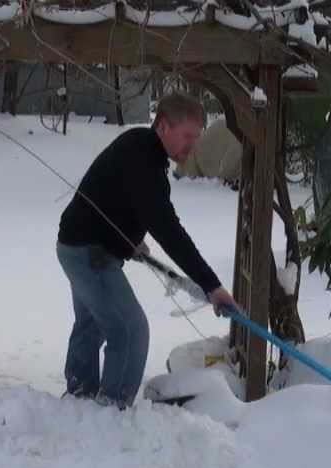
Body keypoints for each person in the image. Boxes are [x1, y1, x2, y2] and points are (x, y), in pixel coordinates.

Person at [56, 92, 238, 409]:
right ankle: (112, 410)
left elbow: (119, 199)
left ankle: (79, 399)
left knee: (92, 324)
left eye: (197, 137)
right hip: (89, 254)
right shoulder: (144, 160)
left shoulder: (140, 147)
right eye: (188, 136)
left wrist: (129, 239)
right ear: (163, 126)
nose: (193, 145)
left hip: (78, 246)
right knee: (130, 331)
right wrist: (211, 285)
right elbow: (168, 229)